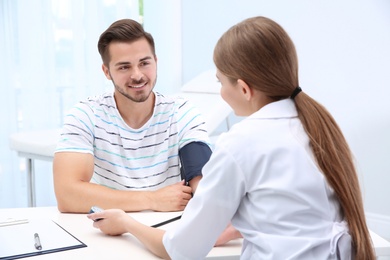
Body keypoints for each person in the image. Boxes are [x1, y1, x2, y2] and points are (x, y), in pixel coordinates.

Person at [87, 16, 375, 259]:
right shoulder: (318, 125)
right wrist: (242, 223)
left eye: (220, 82)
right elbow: (296, 211)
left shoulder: (239, 142)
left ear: (244, 89)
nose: (221, 93)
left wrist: (126, 222)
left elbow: (181, 249)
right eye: (124, 66)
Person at [53, 19, 212, 213]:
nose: (137, 75)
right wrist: (152, 200)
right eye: (124, 67)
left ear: (156, 62)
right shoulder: (85, 115)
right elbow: (67, 195)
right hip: (105, 232)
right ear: (106, 71)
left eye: (144, 63)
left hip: (166, 231)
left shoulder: (182, 112)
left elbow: (204, 185)